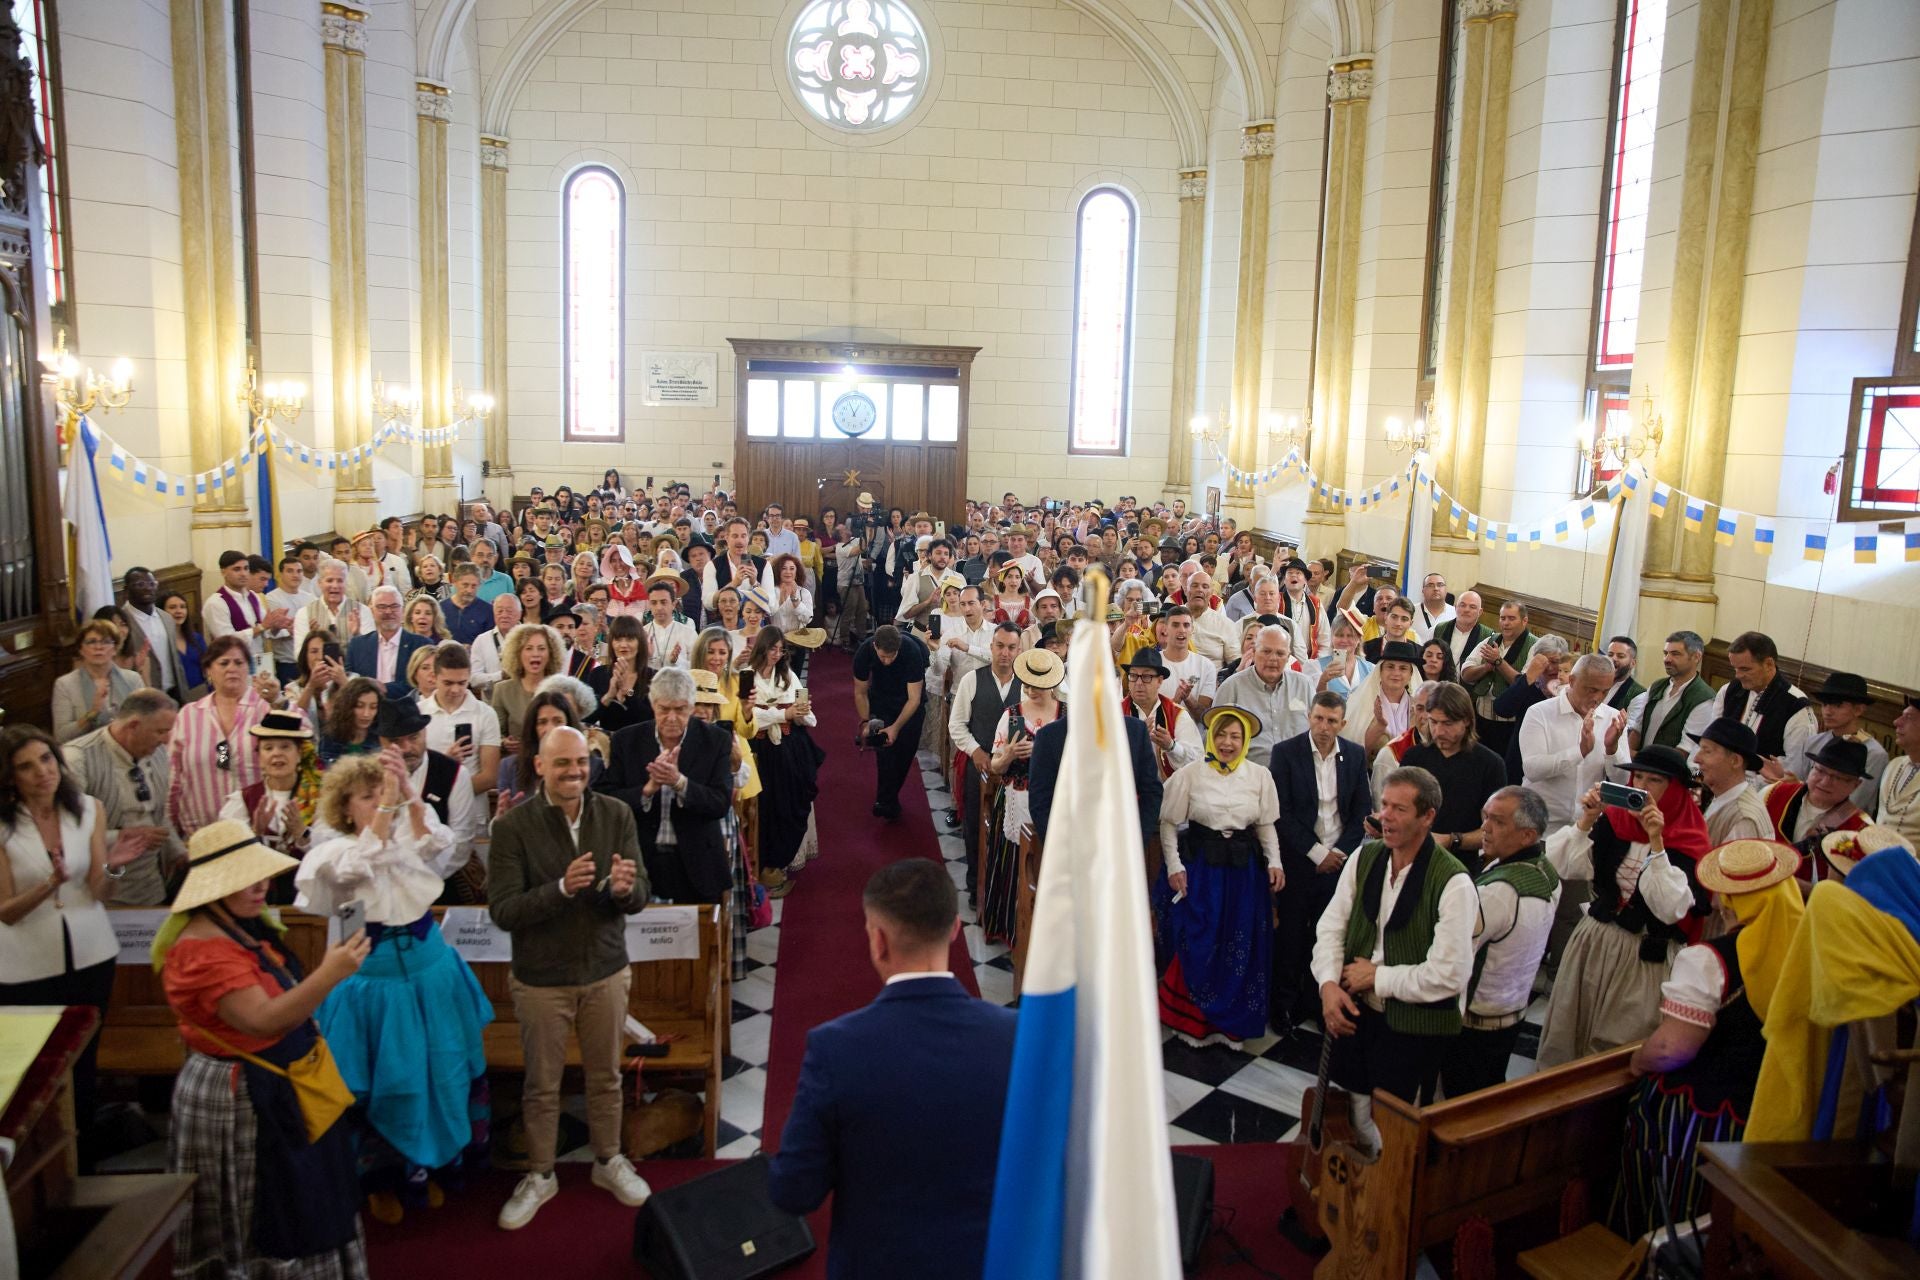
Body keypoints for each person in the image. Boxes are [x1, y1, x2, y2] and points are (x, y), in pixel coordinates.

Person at [767, 860, 1015, 1280]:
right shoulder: (1015, 1037)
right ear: (955, 929)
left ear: (877, 940)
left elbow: (794, 1192)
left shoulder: (835, 1049)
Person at [157, 819, 371, 1278]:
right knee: (272, 1208)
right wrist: (330, 974)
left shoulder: (240, 925)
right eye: (247, 879)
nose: (262, 887)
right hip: (242, 1097)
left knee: (305, 1198)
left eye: (262, 875)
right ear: (216, 887)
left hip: (281, 1086)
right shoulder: (202, 950)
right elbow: (261, 1021)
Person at [298, 752, 490, 1221]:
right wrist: (388, 805)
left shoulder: (405, 837)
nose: (380, 802)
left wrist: (407, 793)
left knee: (439, 1071)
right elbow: (360, 866)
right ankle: (380, 1182)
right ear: (345, 808)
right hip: (375, 988)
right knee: (387, 1082)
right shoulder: (332, 851)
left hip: (431, 975)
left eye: (380, 794)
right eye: (367, 797)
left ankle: (434, 1166)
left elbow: (438, 842)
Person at [488, 726, 652, 1229]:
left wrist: (624, 890)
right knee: (542, 1084)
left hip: (605, 968)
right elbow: (503, 911)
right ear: (540, 766)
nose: (574, 771)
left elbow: (640, 893)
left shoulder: (616, 814)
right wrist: (560, 889)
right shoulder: (513, 827)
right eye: (562, 763)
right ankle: (541, 1174)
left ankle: (608, 1160)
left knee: (607, 1076)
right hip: (542, 978)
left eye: (581, 762)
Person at [1613, 839, 1803, 1239]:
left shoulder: (1711, 960)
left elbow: (1673, 1049)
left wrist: (1639, 1060)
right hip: (1769, 1112)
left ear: (1732, 902)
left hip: (1702, 1119)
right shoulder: (1809, 951)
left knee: (1679, 1209)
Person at [0, 726, 156, 1147]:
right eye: (26, 767)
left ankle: (82, 1147)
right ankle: (39, 1154)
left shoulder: (88, 809)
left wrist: (114, 866)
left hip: (91, 953)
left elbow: (99, 892)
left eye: (46, 759)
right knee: (35, 1064)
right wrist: (49, 885)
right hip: (25, 963)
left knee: (84, 1055)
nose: (42, 772)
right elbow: (6, 912)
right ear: (10, 777)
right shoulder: (4, 826)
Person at [1312, 767, 1474, 1155]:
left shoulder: (1453, 882)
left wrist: (1377, 978)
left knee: (1397, 1130)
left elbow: (1449, 975)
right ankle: (1355, 1183)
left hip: (1414, 1026)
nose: (1385, 816)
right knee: (1353, 1110)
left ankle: (1386, 1189)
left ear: (1428, 816)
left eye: (1399, 809)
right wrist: (1328, 984)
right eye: (1384, 805)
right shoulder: (1364, 857)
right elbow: (1331, 926)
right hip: (1358, 1012)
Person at [1536, 746, 1712, 1067]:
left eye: (1655, 780)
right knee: (1569, 1028)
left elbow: (1670, 908)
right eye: (1638, 777)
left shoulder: (1689, 839)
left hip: (1644, 956)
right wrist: (1586, 820)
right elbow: (1559, 865)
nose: (1642, 787)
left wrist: (1657, 842)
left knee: (1617, 1044)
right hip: (1595, 942)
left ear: (1675, 789)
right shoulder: (1614, 822)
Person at [1153, 706, 1283, 1048]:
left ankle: (1233, 1022)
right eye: (1221, 734)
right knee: (1200, 938)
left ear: (1245, 740)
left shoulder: (1259, 776)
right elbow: (1169, 824)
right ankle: (1193, 1020)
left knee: (1239, 941)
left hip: (1243, 874)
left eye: (1235, 736)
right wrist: (1175, 866)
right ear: (1211, 737)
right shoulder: (1190, 774)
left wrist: (1275, 862)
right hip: (1203, 870)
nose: (1227, 742)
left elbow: (1265, 825)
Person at [1442, 786, 1560, 1096]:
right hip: (1513, 1008)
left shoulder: (1499, 892)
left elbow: (1450, 950)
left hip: (1476, 1020)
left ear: (1527, 835)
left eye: (1498, 821)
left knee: (1460, 1102)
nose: (1485, 827)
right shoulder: (1546, 870)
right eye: (1486, 817)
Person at [1269, 693, 1371, 1032]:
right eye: (1318, 718)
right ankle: (1283, 1006)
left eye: (1331, 721)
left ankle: (1316, 1002)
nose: (1324, 727)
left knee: (1327, 935)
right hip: (1299, 861)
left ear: (1343, 723)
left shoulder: (1354, 755)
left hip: (1338, 863)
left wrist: (1337, 854)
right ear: (1309, 717)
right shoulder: (1286, 753)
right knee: (1292, 935)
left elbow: (1361, 812)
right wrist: (1316, 853)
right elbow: (1281, 813)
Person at [981, 649, 1065, 945]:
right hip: (1016, 797)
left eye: (1038, 686)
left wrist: (1044, 749)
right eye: (1028, 685)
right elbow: (994, 765)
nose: (1032, 691)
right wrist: (1009, 755)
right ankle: (1010, 929)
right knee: (1012, 866)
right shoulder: (1012, 715)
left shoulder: (1068, 716)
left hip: (1055, 804)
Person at [168, 635, 291, 834]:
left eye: (238, 663)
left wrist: (278, 700)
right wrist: (171, 830)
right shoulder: (188, 715)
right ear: (208, 671)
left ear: (248, 669)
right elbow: (173, 777)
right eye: (224, 663)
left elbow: (304, 738)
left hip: (258, 831)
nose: (231, 668)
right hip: (201, 832)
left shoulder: (266, 709)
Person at [735, 629, 823, 895]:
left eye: (780, 649)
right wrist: (783, 714)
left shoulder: (789, 675)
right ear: (761, 648)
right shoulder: (746, 676)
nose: (776, 654)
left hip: (787, 751)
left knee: (790, 802)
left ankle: (780, 860)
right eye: (772, 648)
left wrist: (800, 712)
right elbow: (745, 715)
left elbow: (808, 716)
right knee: (763, 808)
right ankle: (762, 864)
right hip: (758, 751)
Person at [215, 710, 322, 905]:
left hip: (310, 901)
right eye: (268, 748)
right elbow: (228, 859)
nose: (276, 753)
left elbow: (332, 855)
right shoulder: (243, 800)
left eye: (285, 747)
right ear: (259, 757)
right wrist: (255, 833)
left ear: (299, 754)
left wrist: (302, 834)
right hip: (260, 902)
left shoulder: (320, 799)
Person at [948, 624, 1022, 899]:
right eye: (1000, 646)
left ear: (1019, 650)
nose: (1005, 653)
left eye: (1011, 647)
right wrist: (976, 751)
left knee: (1009, 829)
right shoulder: (972, 679)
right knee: (975, 825)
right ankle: (975, 884)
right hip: (978, 764)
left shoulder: (1026, 684)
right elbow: (956, 725)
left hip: (1014, 770)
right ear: (991, 647)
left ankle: (1004, 889)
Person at [1517, 653, 1630, 832]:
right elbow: (1533, 770)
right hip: (1541, 826)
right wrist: (1580, 752)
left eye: (1605, 691)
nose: (1598, 698)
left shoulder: (1613, 718)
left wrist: (1612, 749)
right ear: (1572, 681)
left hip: (1586, 828)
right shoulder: (1540, 713)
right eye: (1591, 690)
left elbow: (1622, 780)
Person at [1401, 682, 1507, 869]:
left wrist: (1452, 840)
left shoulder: (1490, 765)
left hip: (1463, 866)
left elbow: (1495, 831)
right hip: (1413, 861)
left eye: (1447, 724)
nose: (1439, 731)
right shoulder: (1414, 757)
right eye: (1433, 722)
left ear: (1466, 720)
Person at [1701, 631, 1816, 783]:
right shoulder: (1729, 691)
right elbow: (1711, 740)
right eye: (1735, 668)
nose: (1738, 675)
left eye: (1745, 669)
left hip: (1763, 790)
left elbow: (1795, 771)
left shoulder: (1795, 706)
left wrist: (1739, 783)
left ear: (1769, 664)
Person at [1760, 736, 1871, 883]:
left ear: (1856, 785)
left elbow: (1851, 890)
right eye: (1820, 771)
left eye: (1838, 778)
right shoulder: (1772, 794)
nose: (1825, 782)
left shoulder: (1861, 830)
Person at [852, 625, 928, 822]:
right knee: (885, 753)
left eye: (891, 656)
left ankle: (889, 799)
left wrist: (895, 728)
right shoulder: (864, 652)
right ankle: (885, 801)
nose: (887, 661)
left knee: (905, 753)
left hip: (909, 703)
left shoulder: (911, 651)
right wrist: (865, 722)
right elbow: (860, 692)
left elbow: (914, 699)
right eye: (883, 656)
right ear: (875, 646)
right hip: (881, 701)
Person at [1214, 623, 1317, 766]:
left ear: (1288, 657)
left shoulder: (1304, 685)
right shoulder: (1231, 687)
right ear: (1254, 652)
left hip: (1298, 771)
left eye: (1280, 653)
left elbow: (1318, 731)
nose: (1273, 658)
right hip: (1248, 772)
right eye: (1266, 651)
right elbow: (1213, 738)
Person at [1798, 671, 1887, 811]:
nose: (1828, 711)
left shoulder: (1873, 753)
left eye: (1837, 705)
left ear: (1858, 710)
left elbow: (1856, 801)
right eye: (1824, 704)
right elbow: (1800, 783)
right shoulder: (1813, 742)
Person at [1461, 600, 1537, 756]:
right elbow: (1465, 674)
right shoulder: (1490, 640)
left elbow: (1524, 685)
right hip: (1481, 718)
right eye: (1503, 618)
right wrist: (1485, 668)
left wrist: (1498, 662)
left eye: (1511, 618)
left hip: (1511, 724)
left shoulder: (1534, 646)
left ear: (1524, 621)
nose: (1506, 623)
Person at [53, 619, 147, 744]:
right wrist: (93, 713)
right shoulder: (65, 684)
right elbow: (61, 736)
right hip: (86, 750)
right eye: (91, 642)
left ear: (115, 649)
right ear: (81, 649)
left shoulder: (133, 679)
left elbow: (145, 719)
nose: (98, 647)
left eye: (106, 642)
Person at [1121, 647, 1202, 779]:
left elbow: (1198, 763)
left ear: (1159, 681)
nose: (1139, 683)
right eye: (1133, 676)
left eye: (1146, 677)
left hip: (1168, 789)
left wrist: (1171, 746)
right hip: (1127, 788)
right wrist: (1134, 739)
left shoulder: (1177, 714)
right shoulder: (1115, 713)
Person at [204, 548, 290, 671]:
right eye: (237, 569)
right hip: (232, 666)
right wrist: (261, 627)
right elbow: (226, 641)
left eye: (246, 568)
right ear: (223, 572)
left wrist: (277, 626)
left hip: (259, 662)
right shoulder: (216, 603)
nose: (243, 573)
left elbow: (266, 631)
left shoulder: (253, 596)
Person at [1690, 718, 1773, 844]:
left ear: (1735, 761)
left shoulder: (1743, 820)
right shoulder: (1723, 798)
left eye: (1707, 751)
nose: (1696, 759)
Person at [345, 584, 431, 701]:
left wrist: (382, 688)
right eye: (381, 607)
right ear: (372, 611)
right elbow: (350, 680)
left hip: (408, 709)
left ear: (403, 610)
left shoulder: (421, 645)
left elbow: (420, 683)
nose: (388, 611)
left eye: (394, 606)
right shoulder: (357, 645)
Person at [493, 621, 565, 752]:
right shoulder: (502, 690)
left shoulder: (561, 689)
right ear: (517, 653)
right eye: (529, 648)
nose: (535, 654)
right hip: (517, 760)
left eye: (541, 648)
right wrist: (504, 742)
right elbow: (495, 734)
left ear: (551, 653)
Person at [121, 566, 186, 698]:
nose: (148, 588)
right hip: (143, 694)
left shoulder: (166, 618)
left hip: (173, 691)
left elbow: (174, 659)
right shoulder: (122, 622)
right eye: (140, 584)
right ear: (127, 590)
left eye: (152, 584)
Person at [319, 675, 383, 765]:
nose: (366, 714)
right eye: (359, 706)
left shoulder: (382, 737)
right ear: (347, 706)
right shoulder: (331, 735)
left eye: (373, 707)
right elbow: (325, 768)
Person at [469, 591, 521, 696]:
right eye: (499, 611)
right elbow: (473, 679)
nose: (504, 615)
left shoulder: (530, 638)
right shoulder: (482, 640)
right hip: (492, 701)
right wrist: (500, 676)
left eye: (509, 611)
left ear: (520, 614)